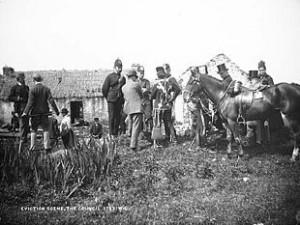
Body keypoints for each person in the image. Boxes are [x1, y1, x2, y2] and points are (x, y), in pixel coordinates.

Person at [22, 73, 60, 152]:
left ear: (33, 80)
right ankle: (47, 147)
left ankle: (32, 148)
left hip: (35, 113)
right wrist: (57, 111)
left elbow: (30, 103)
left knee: (34, 129)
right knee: (46, 129)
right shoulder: (46, 89)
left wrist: (25, 112)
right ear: (41, 80)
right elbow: (51, 101)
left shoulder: (32, 90)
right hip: (44, 113)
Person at [102, 59, 126, 139]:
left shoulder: (123, 78)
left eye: (121, 67)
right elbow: (104, 89)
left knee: (118, 116)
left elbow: (124, 89)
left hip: (119, 100)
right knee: (111, 117)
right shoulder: (109, 77)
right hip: (111, 100)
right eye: (118, 67)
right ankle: (111, 133)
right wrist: (108, 97)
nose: (120, 69)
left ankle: (116, 133)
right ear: (114, 67)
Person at [122, 69, 143, 152]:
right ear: (133, 77)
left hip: (128, 108)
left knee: (131, 126)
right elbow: (140, 95)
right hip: (137, 108)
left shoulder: (123, 87)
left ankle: (130, 136)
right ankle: (133, 145)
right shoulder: (136, 84)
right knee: (136, 127)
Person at [8, 72, 30, 153]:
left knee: (26, 128)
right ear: (18, 79)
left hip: (26, 110)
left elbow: (29, 98)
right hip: (19, 110)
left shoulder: (26, 87)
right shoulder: (14, 88)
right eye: (22, 78)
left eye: (24, 78)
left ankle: (25, 148)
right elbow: (10, 97)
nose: (23, 79)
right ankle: (20, 151)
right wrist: (17, 98)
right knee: (23, 128)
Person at [162, 63, 181, 143]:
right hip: (164, 102)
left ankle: (173, 138)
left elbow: (178, 89)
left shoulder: (171, 79)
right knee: (165, 119)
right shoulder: (164, 79)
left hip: (169, 102)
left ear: (169, 70)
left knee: (169, 120)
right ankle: (167, 135)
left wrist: (172, 97)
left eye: (165, 70)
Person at [137, 65, 153, 139]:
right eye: (140, 73)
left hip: (146, 102)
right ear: (137, 73)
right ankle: (141, 133)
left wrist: (145, 90)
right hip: (139, 102)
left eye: (142, 73)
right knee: (139, 118)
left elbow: (148, 89)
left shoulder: (146, 81)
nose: (141, 74)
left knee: (149, 117)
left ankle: (152, 133)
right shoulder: (135, 82)